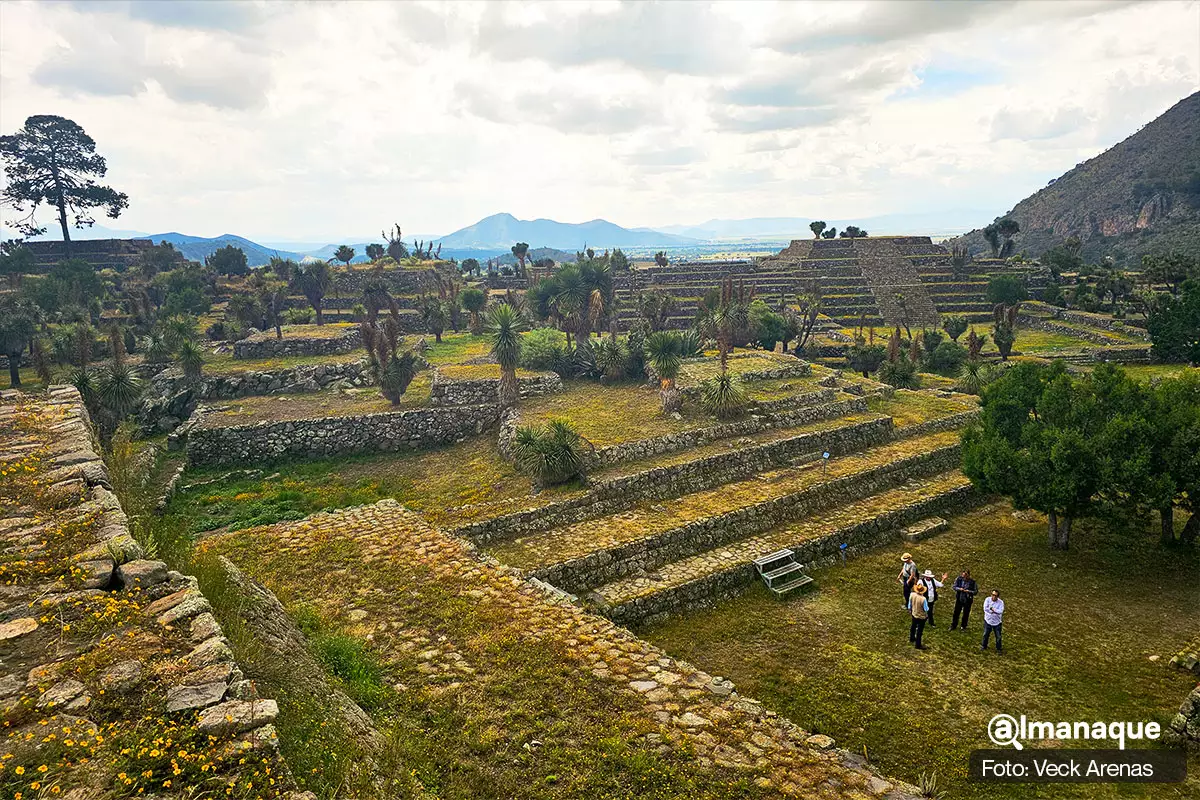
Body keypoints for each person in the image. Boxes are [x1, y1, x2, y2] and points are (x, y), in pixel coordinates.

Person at [907, 583, 929, 650]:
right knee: (919, 631)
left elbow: (909, 604)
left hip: (914, 614)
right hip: (921, 616)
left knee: (913, 626)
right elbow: (926, 609)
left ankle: (912, 638)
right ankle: (918, 644)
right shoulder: (923, 599)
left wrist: (910, 609)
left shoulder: (912, 594)